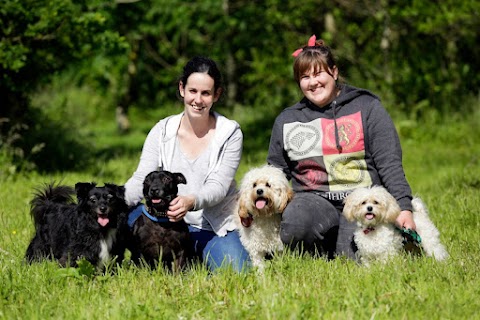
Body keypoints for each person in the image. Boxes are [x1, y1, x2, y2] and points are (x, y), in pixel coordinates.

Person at [267, 35, 416, 259]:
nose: (312, 82)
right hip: (312, 200)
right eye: (305, 77)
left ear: (334, 72)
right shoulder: (287, 120)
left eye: (318, 74)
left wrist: (404, 207)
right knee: (296, 225)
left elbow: (389, 163)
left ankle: (339, 247)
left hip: (360, 201)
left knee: (352, 259)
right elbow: (275, 172)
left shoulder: (368, 106)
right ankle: (319, 249)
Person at [124, 56, 249, 272]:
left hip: (210, 225)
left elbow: (218, 187)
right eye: (193, 91)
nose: (198, 100)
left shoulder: (230, 133)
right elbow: (141, 178)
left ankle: (194, 254)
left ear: (216, 95)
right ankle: (163, 259)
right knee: (117, 219)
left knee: (236, 270)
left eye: (206, 93)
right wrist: (115, 200)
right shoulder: (161, 130)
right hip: (161, 222)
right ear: (182, 89)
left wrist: (191, 201)